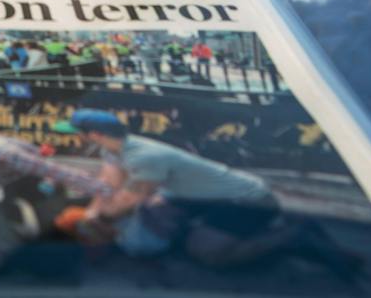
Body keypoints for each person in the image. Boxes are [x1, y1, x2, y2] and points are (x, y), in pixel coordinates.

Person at [65, 109, 294, 266]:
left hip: (246, 199)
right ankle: (201, 227)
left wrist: (95, 223)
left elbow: (128, 199)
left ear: (94, 134)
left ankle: (290, 236)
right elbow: (107, 186)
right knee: (152, 216)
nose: (77, 136)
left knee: (206, 253)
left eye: (79, 132)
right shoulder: (112, 150)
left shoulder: (144, 156)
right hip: (196, 195)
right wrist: (92, 215)